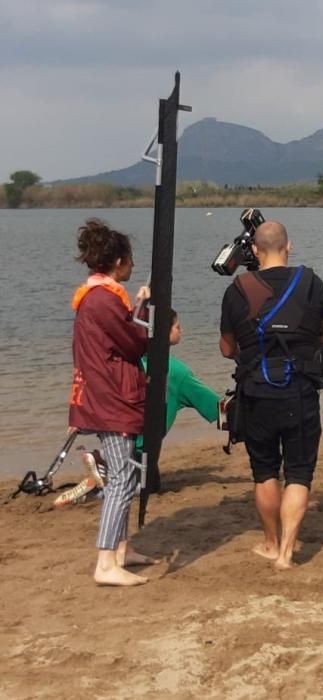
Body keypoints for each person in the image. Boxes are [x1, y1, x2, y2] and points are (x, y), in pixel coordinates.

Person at [219, 220, 323, 570]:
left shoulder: (236, 289)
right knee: (299, 473)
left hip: (255, 393)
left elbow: (227, 348)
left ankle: (271, 544)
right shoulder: (311, 282)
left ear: (254, 252)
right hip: (299, 391)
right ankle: (287, 553)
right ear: (288, 247)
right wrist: (306, 345)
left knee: (265, 472)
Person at [68, 218, 157, 586]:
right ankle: (106, 561)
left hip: (106, 395)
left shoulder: (97, 296)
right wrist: (143, 308)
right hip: (111, 400)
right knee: (121, 477)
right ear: (119, 261)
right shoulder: (104, 300)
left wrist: (134, 310)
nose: (132, 265)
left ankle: (122, 548)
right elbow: (135, 343)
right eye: (130, 259)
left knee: (129, 471)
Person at [56, 309, 219, 505]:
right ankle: (98, 486)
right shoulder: (177, 373)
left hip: (116, 435)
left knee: (149, 478)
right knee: (144, 488)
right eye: (177, 326)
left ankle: (103, 461)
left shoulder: (129, 363)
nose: (181, 330)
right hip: (141, 448)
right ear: (162, 333)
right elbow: (214, 406)